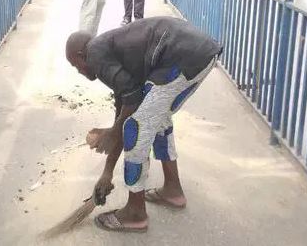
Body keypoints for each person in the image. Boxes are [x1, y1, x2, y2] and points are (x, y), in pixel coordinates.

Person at [65, 17, 222, 232]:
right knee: (157, 119)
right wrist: (107, 172)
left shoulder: (95, 54)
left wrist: (114, 132)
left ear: (82, 55)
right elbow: (124, 105)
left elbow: (127, 115)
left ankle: (135, 213)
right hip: (199, 53)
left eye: (76, 65)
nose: (80, 71)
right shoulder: (110, 50)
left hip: (182, 57)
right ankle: (173, 191)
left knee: (134, 130)